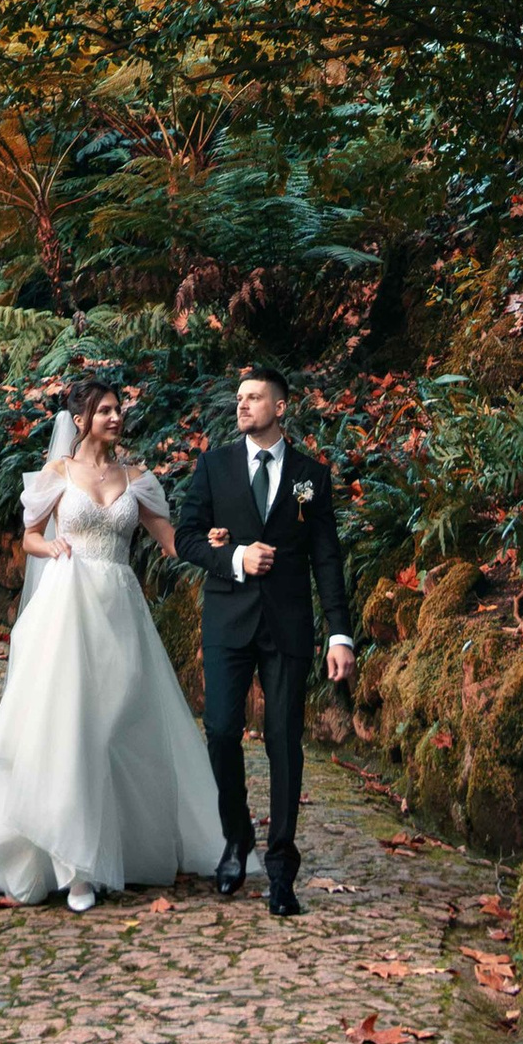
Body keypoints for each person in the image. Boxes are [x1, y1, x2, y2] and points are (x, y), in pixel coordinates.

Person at [0, 371, 228, 911]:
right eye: (104, 409)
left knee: (113, 727)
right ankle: (74, 868)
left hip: (119, 608)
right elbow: (31, 535)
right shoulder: (57, 473)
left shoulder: (137, 477)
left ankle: (112, 850)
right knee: (71, 728)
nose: (115, 416)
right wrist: (50, 550)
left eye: (117, 408)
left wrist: (209, 543)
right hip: (68, 605)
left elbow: (170, 542)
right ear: (80, 420)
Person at [174, 362, 354, 919]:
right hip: (228, 620)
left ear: (281, 408)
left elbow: (327, 558)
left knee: (283, 742)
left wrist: (340, 633)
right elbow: (184, 537)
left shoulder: (311, 476)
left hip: (288, 625)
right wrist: (233, 557)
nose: (243, 405)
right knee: (223, 733)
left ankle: (281, 868)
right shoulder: (215, 466)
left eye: (254, 398)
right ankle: (236, 839)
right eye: (239, 398)